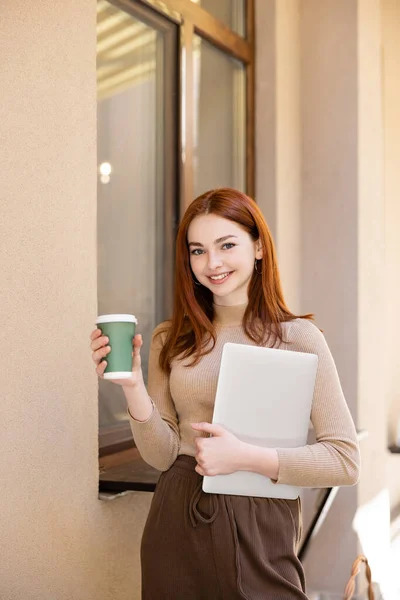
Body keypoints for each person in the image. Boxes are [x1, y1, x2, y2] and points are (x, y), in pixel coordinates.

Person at [90, 188, 360, 600]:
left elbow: (344, 460)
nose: (212, 263)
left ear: (257, 247)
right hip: (179, 510)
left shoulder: (298, 338)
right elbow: (162, 455)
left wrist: (247, 457)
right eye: (198, 251)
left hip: (262, 512)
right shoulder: (171, 338)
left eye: (226, 245)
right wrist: (133, 387)